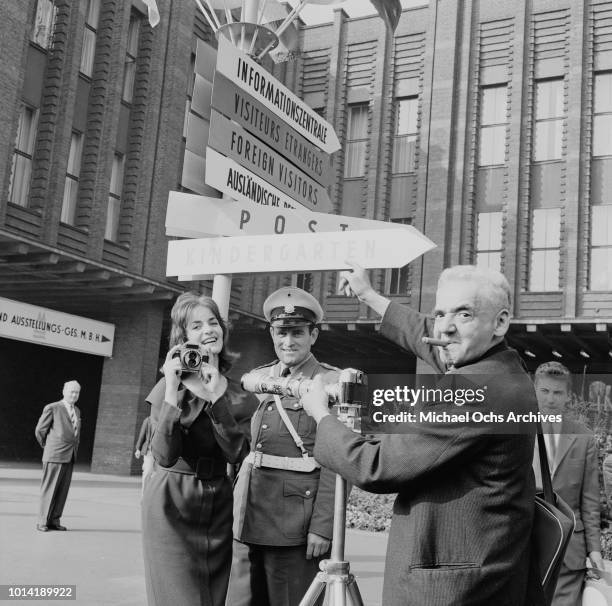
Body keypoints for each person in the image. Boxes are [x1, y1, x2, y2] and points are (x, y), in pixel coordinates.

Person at [301, 262, 543, 606]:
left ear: (500, 322)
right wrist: (369, 295)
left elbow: (377, 467)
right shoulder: (500, 369)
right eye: (440, 314)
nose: (444, 329)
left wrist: (321, 415)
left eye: (464, 314)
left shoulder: (474, 389)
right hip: (482, 574)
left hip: (451, 590)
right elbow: (430, 337)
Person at [226, 286, 339, 606]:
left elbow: (336, 460)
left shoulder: (331, 382)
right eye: (281, 332)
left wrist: (323, 526)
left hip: (296, 528)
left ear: (313, 335)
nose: (287, 342)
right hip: (248, 517)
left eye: (297, 333)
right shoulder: (258, 378)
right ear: (271, 333)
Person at [141, 292, 247, 606]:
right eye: (197, 326)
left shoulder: (237, 392)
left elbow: (237, 454)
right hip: (171, 501)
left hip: (218, 503)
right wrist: (173, 392)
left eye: (213, 323)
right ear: (184, 337)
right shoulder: (168, 386)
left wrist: (216, 399)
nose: (208, 331)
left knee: (214, 598)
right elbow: (163, 454)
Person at [533, 361, 602, 605]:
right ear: (534, 391)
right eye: (545, 391)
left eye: (557, 393)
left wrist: (595, 549)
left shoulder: (583, 438)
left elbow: (591, 501)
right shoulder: (517, 433)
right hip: (527, 545)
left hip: (570, 550)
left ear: (567, 397)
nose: (550, 399)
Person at [34, 380, 81, 532]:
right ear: (64, 391)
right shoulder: (53, 408)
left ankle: (54, 520)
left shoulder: (77, 411)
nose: (74, 395)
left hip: (70, 456)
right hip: (54, 455)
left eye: (77, 392)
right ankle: (42, 521)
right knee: (49, 489)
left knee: (62, 490)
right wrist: (48, 447)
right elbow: (40, 430)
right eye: (71, 391)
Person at [134, 416, 154, 495]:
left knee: (156, 475)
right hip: (149, 451)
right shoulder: (148, 420)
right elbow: (142, 434)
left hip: (160, 453)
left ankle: (152, 495)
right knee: (147, 472)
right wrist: (138, 449)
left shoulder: (163, 418)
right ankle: (144, 495)